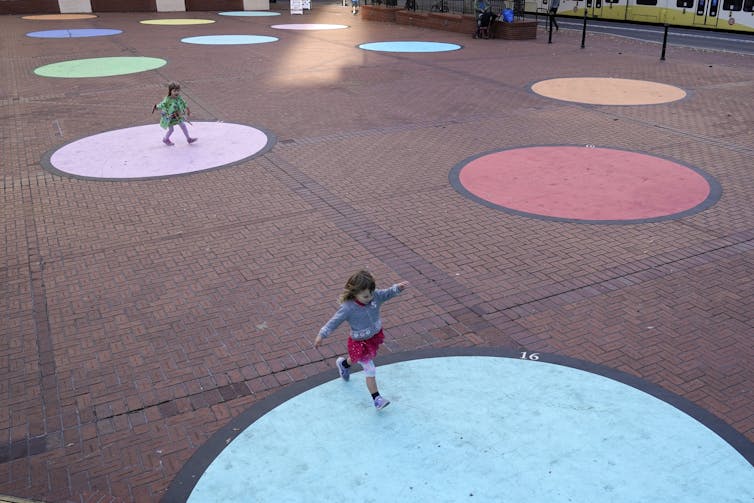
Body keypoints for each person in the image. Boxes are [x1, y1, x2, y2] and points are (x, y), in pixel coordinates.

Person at [314, 270, 409, 410]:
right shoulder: (348, 308)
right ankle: (377, 399)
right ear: (354, 293)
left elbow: (387, 293)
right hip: (359, 342)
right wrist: (322, 334)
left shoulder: (375, 296)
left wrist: (397, 289)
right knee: (370, 369)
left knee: (356, 358)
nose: (370, 298)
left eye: (371, 293)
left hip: (373, 338)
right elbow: (333, 322)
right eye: (365, 296)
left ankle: (344, 365)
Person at [152, 82, 197, 146]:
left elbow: (184, 103)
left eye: (178, 91)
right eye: (174, 91)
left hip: (178, 116)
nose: (176, 92)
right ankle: (165, 139)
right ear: (170, 91)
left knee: (183, 125)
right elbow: (162, 104)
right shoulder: (167, 99)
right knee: (171, 130)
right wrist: (157, 107)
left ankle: (188, 138)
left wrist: (188, 109)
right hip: (170, 117)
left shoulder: (179, 97)